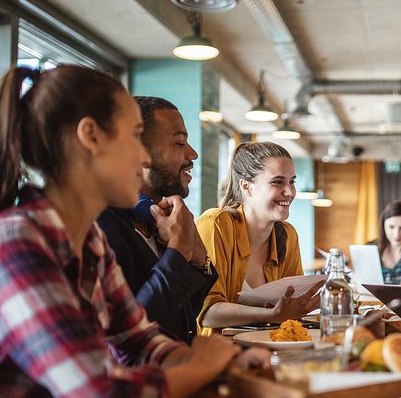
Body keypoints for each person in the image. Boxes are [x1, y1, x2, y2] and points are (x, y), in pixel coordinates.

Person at [0, 65, 259, 397]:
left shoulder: (91, 241)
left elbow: (139, 342)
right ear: (91, 136)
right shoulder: (18, 243)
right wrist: (201, 366)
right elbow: (97, 391)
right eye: (136, 136)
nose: (143, 157)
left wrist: (223, 360)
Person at [97, 96, 217, 344]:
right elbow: (133, 337)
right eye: (179, 143)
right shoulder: (101, 227)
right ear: (138, 150)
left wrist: (198, 261)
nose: (192, 154)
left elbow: (182, 316)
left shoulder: (162, 219)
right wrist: (179, 250)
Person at [196, 141, 320, 335]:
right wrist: (272, 314)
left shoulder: (287, 235)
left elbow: (291, 309)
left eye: (292, 182)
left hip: (271, 349)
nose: (290, 191)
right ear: (246, 187)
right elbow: (208, 313)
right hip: (219, 354)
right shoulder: (215, 224)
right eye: (277, 182)